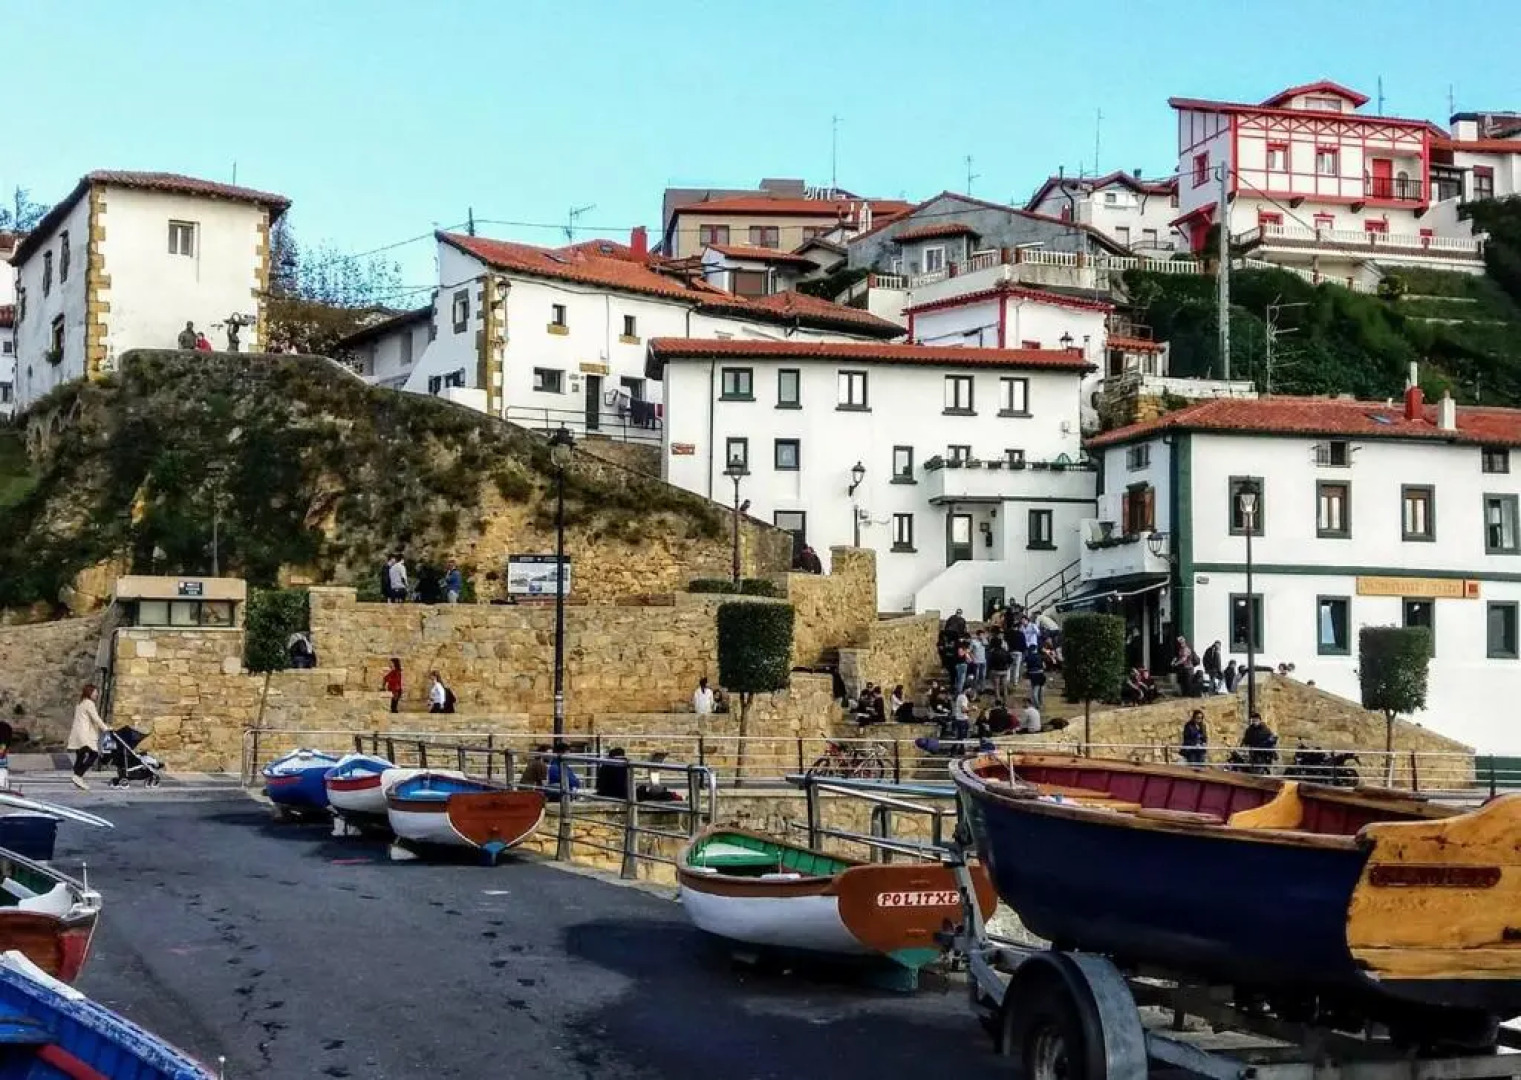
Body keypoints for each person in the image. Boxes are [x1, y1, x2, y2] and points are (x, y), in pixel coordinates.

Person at [67, 684, 110, 791]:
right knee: (94, 754)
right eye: (95, 692)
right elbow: (96, 718)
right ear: (89, 692)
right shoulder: (89, 703)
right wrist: (106, 728)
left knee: (80, 755)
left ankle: (77, 778)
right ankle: (78, 776)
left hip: (78, 733)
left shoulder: (80, 703)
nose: (97, 694)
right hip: (85, 734)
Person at [988, 635, 1013, 701]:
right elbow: (1010, 660)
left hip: (995, 671)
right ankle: (1005, 699)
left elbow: (990, 662)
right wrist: (1008, 666)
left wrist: (990, 669)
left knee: (996, 687)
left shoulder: (993, 652)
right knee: (1005, 686)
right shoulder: (1005, 651)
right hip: (1004, 670)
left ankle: (998, 699)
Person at [1026, 645, 1047, 710]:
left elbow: (1027, 667)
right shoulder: (1040, 656)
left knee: (1034, 690)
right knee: (1040, 691)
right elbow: (1044, 666)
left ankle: (1037, 705)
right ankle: (1040, 704)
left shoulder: (1028, 657)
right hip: (1040, 673)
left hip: (1032, 674)